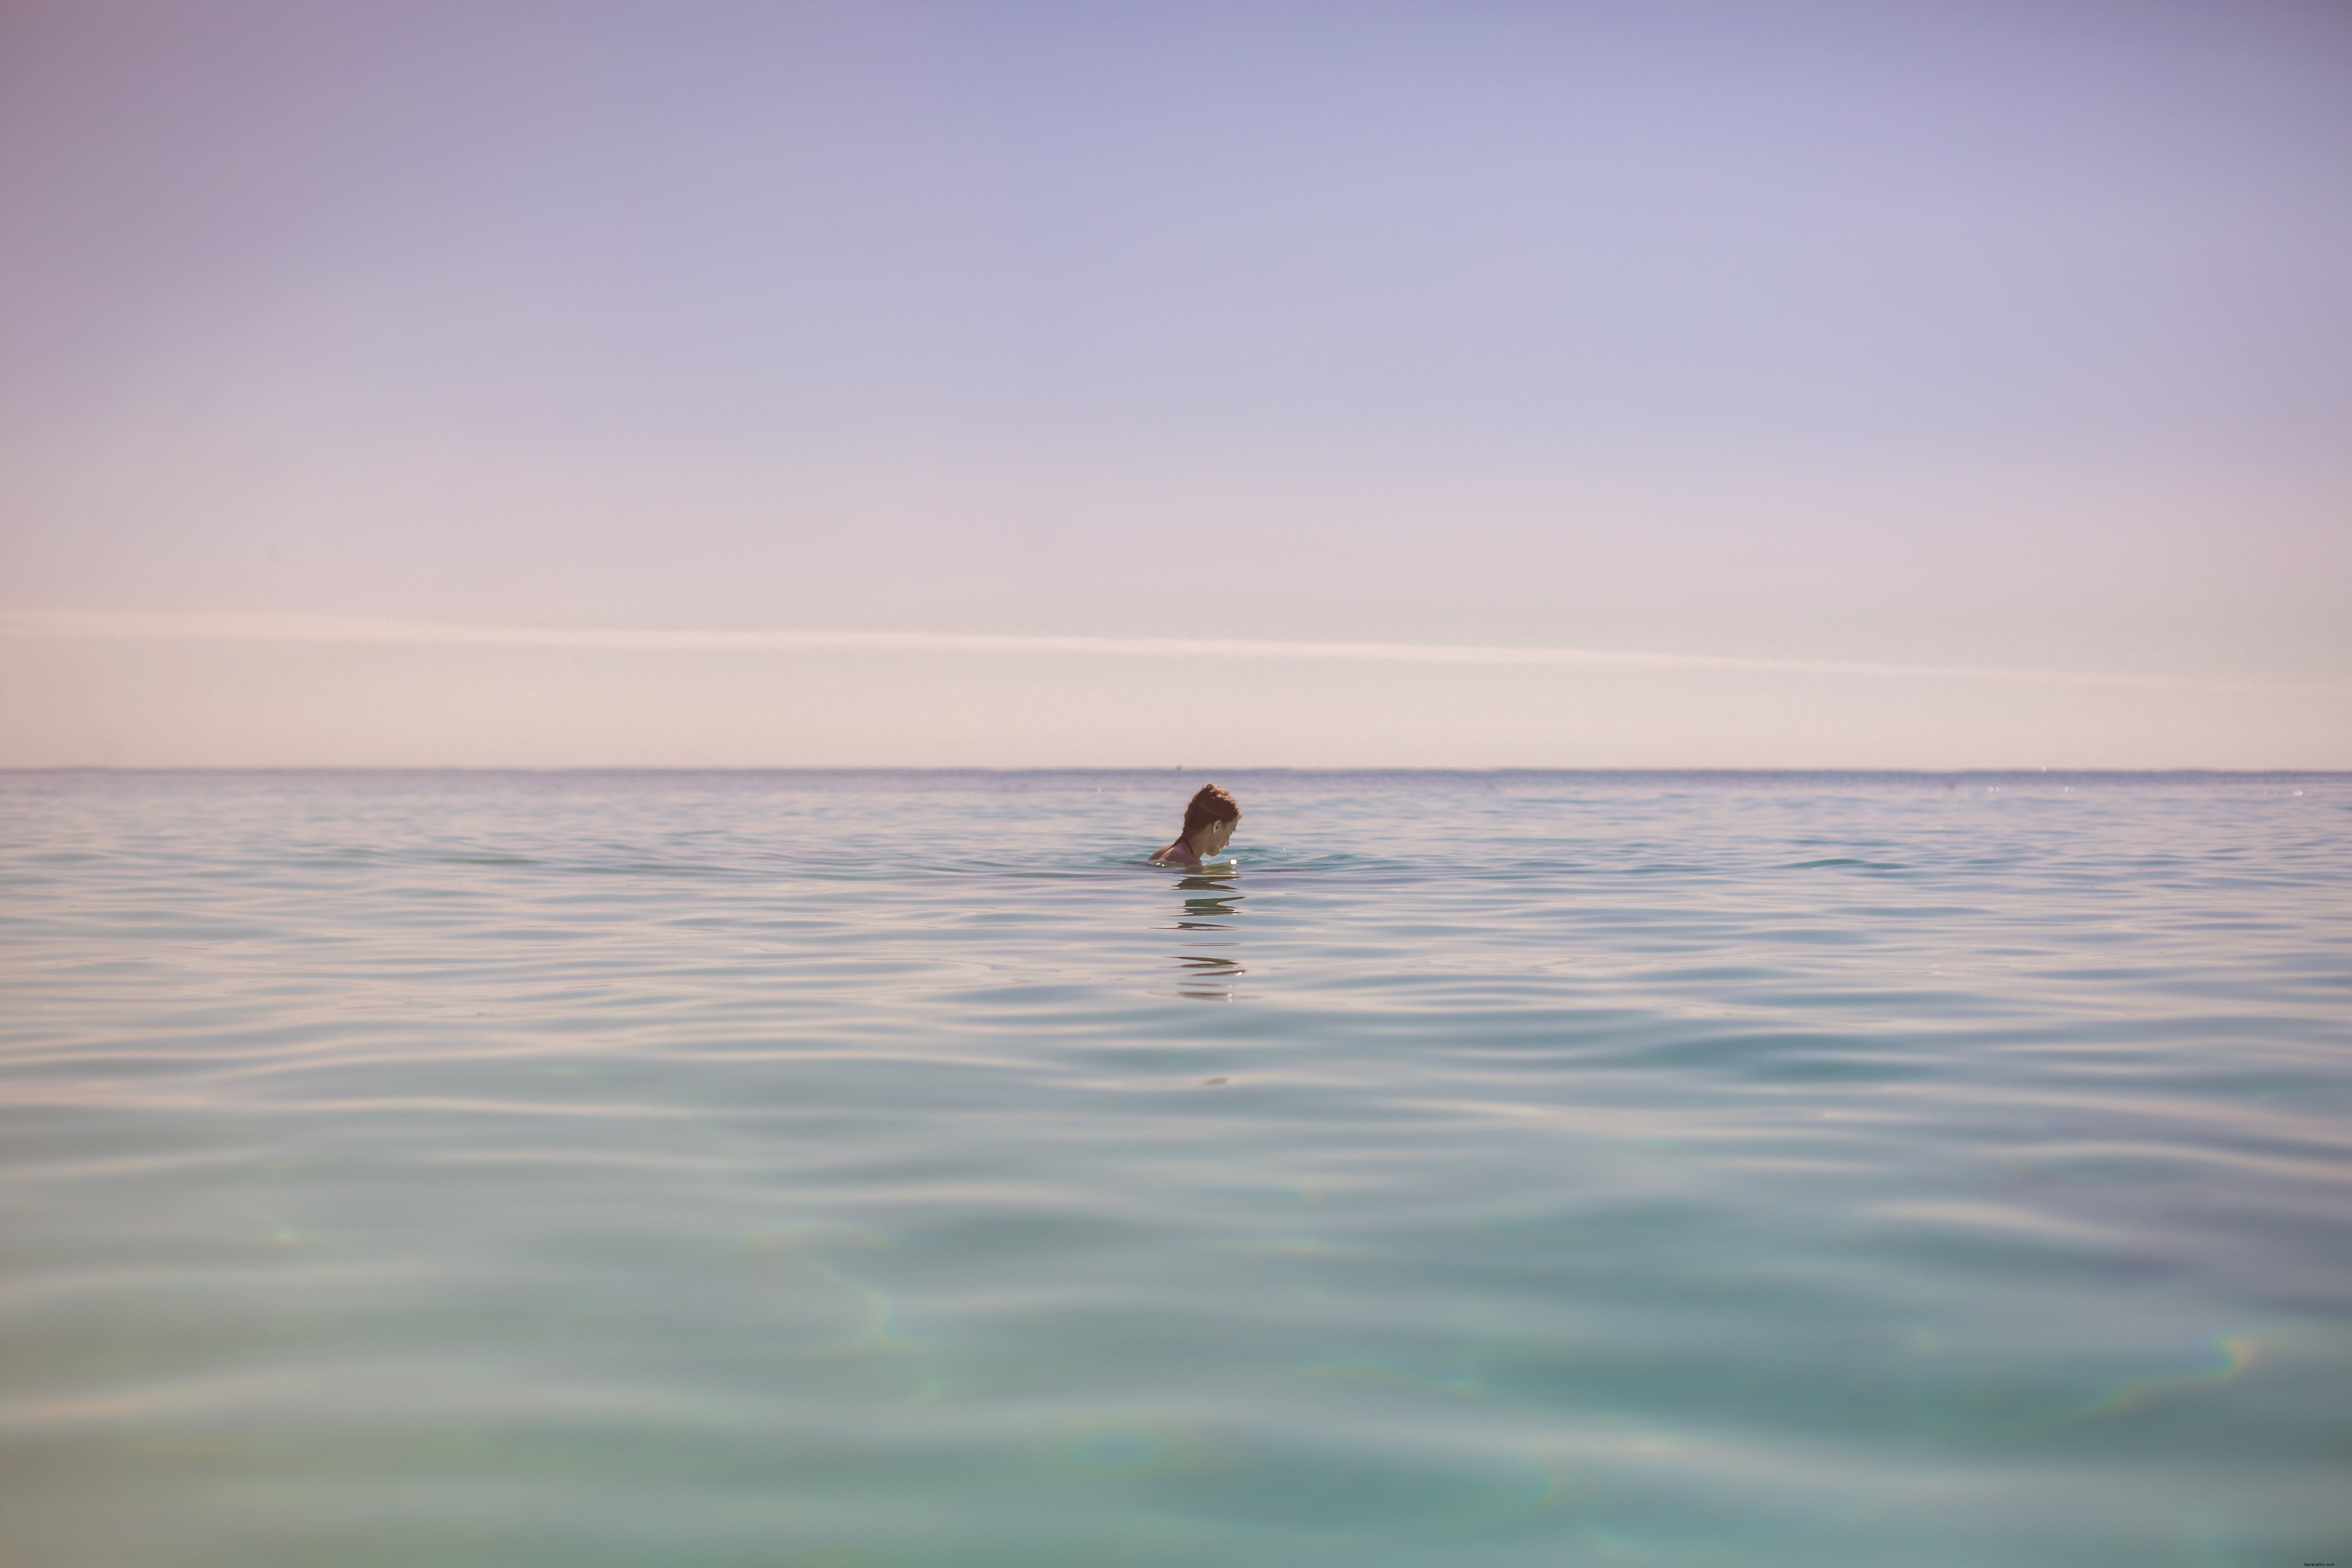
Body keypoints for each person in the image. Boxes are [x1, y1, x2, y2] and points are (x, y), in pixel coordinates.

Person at [1150, 783, 1241, 867]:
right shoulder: (1191, 863)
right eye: (1230, 833)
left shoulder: (1162, 852)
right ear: (1217, 826)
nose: (1228, 843)